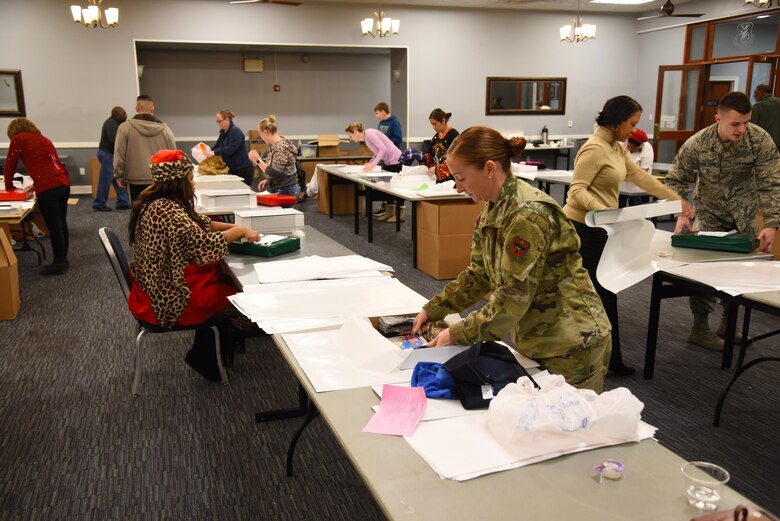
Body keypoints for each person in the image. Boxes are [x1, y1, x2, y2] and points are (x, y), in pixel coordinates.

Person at [412, 126, 611, 392]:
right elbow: (478, 275)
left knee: (571, 426)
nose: (458, 187)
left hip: (572, 343)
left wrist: (456, 333)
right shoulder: (493, 209)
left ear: (490, 169)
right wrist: (434, 308)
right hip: (541, 336)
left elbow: (509, 302)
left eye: (461, 177)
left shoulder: (526, 216)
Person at [562, 95, 683, 377]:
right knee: (600, 292)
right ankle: (605, 359)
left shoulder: (615, 148)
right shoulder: (593, 149)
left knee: (604, 292)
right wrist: (604, 212)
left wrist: (676, 200)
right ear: (616, 122)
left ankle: (608, 357)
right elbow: (577, 191)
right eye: (632, 124)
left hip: (602, 226)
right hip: (583, 227)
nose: (634, 131)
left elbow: (640, 177)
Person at [127, 149, 261, 380]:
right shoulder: (167, 210)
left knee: (227, 284)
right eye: (191, 179)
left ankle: (211, 350)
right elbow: (204, 245)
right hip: (170, 298)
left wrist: (235, 228)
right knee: (245, 302)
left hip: (156, 287)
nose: (194, 184)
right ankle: (207, 354)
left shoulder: (160, 203)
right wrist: (239, 230)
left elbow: (199, 224)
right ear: (178, 181)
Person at [665, 91, 780, 351]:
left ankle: (729, 324)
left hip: (744, 213)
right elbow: (675, 180)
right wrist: (682, 210)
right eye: (735, 124)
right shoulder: (698, 143)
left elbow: (772, 183)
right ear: (719, 118)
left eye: (746, 122)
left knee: (741, 272)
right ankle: (700, 328)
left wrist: (772, 224)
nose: (742, 129)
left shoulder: (759, 140)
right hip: (709, 212)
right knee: (705, 274)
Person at [4, 118, 72, 275]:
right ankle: (63, 259)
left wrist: (9, 188)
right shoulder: (43, 139)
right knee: (61, 223)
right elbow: (52, 163)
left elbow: (9, 166)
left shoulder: (18, 139)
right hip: (63, 183)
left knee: (54, 226)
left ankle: (58, 263)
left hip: (48, 188)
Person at [114, 94, 176, 202]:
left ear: (136, 109)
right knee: (158, 212)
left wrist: (118, 175)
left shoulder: (125, 128)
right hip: (160, 179)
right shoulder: (166, 130)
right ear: (153, 109)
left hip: (135, 179)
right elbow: (173, 156)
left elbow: (119, 154)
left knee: (138, 212)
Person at [346, 122, 404, 223]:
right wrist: (370, 163)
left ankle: (400, 214)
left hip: (396, 160)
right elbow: (377, 152)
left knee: (396, 188)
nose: (351, 139)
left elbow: (383, 149)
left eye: (350, 136)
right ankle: (389, 212)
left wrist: (372, 165)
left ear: (355, 132)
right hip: (389, 161)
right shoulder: (366, 138)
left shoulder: (369, 133)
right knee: (388, 188)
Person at [247, 115, 299, 206]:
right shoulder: (276, 145)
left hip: (286, 189)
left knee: (284, 219)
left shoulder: (280, 148)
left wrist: (258, 160)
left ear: (266, 132)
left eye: (260, 134)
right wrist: (268, 179)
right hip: (285, 187)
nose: (261, 138)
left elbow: (276, 173)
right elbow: (277, 168)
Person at [94, 106, 130, 211]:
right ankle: (99, 203)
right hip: (107, 153)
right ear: (116, 115)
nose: (125, 116)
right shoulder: (111, 123)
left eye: (125, 114)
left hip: (111, 154)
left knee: (118, 177)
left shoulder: (116, 124)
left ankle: (123, 201)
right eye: (122, 114)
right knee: (105, 179)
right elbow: (114, 139)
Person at [210, 109, 254, 187]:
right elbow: (217, 145)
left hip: (243, 170)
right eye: (217, 121)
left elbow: (230, 149)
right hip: (232, 169)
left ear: (227, 119)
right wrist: (208, 150)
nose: (218, 123)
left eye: (219, 121)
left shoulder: (235, 131)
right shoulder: (223, 132)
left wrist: (215, 152)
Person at [426, 108, 459, 183]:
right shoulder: (436, 137)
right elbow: (430, 155)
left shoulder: (453, 135)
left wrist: (437, 169)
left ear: (443, 121)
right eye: (432, 124)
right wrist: (421, 157)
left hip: (450, 181)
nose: (433, 127)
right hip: (437, 179)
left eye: (435, 124)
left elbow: (456, 160)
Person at [750, 83, 780, 150]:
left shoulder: (757, 106)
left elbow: (751, 127)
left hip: (765, 144)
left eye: (755, 92)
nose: (754, 95)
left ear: (762, 93)